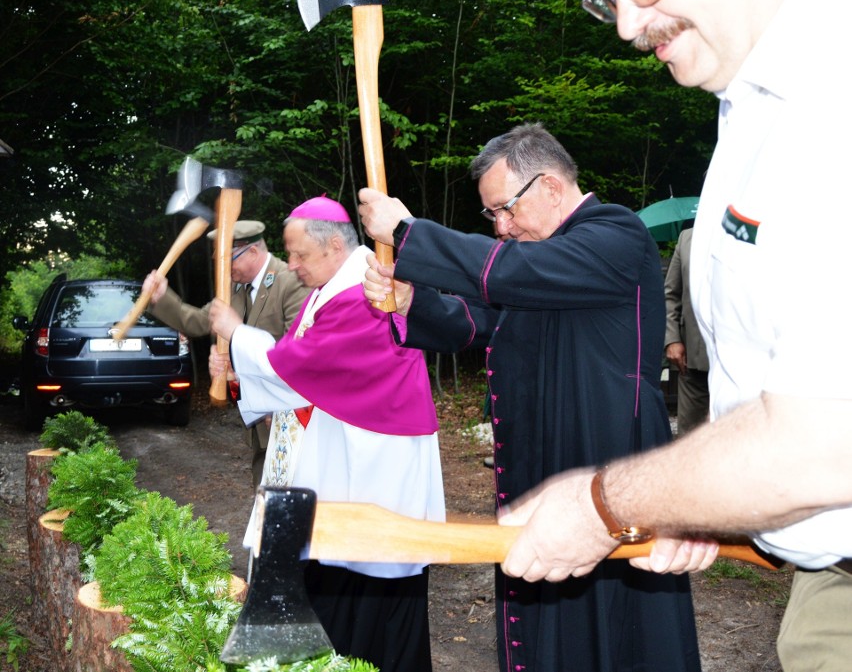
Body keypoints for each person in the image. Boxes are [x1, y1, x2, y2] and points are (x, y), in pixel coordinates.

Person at [494, 0, 852, 671]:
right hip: (829, 584)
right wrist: (709, 499)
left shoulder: (834, 93)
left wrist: (610, 504)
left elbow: (825, 444)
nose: (626, 24)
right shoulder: (755, 104)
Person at [358, 123, 700, 672]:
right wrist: (409, 302)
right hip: (545, 460)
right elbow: (481, 323)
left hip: (608, 467)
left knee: (614, 631)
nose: (501, 226)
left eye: (505, 209)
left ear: (551, 187)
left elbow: (510, 275)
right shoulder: (537, 261)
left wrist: (407, 230)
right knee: (546, 623)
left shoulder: (614, 234)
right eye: (492, 215)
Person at [207, 196, 445, 672]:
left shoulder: (365, 288)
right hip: (345, 452)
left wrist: (236, 334)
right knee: (333, 569)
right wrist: (235, 367)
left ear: (334, 244)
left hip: (377, 458)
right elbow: (297, 359)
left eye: (298, 255)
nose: (291, 266)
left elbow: (298, 366)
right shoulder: (328, 287)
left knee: (372, 575)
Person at [143, 219, 309, 485]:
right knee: (264, 499)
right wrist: (162, 296)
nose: (221, 267)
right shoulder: (233, 288)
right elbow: (196, 321)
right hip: (258, 420)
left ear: (253, 252)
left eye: (226, 258)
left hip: (291, 419)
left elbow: (299, 352)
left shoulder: (291, 283)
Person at [664, 225, 708, 434]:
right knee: (691, 436)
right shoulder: (687, 238)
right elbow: (671, 294)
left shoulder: (752, 232)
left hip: (744, 361)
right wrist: (672, 339)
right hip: (693, 359)